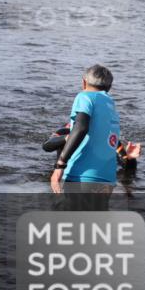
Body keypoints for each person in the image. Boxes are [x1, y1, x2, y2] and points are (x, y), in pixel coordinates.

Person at [49, 65, 123, 210]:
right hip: (107, 179)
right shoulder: (110, 103)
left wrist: (60, 165)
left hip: (82, 176)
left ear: (84, 82)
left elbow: (81, 127)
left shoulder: (84, 96)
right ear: (109, 87)